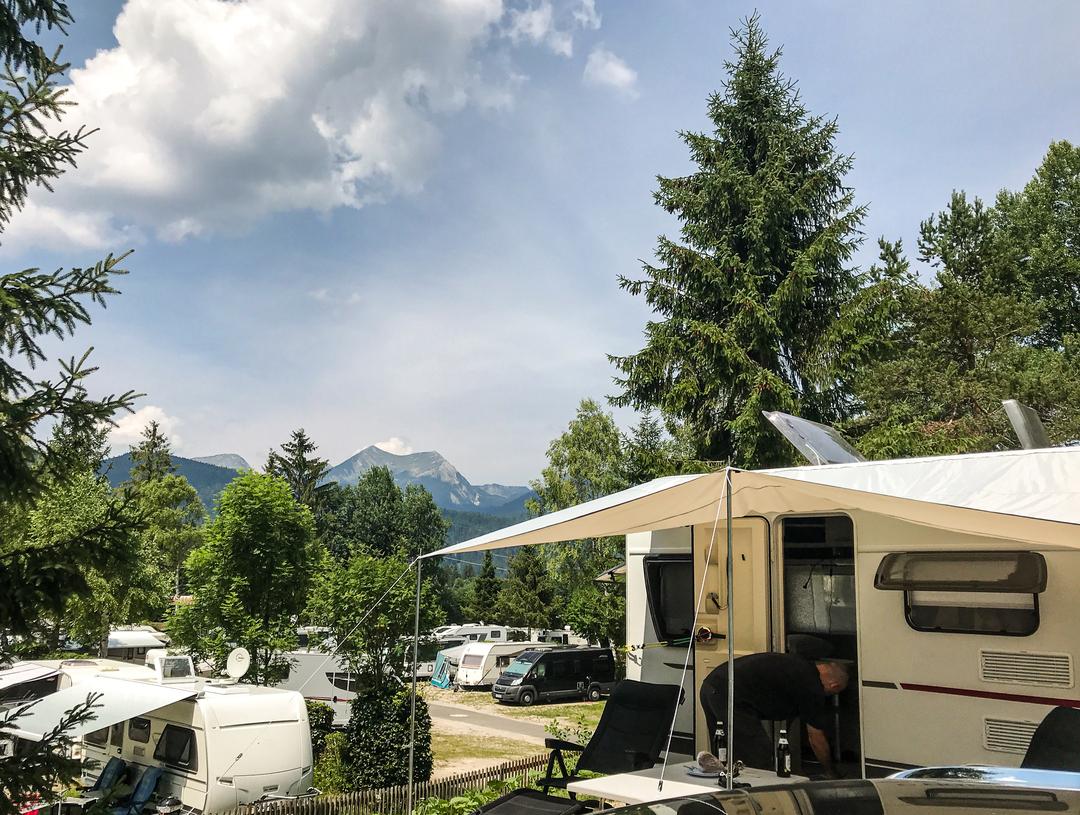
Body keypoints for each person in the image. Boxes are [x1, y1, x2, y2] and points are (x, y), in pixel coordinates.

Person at [699, 652, 849, 777]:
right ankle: (758, 796)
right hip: (729, 694)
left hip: (710, 686)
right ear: (834, 686)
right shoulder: (811, 687)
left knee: (722, 751)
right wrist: (830, 771)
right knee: (758, 752)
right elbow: (816, 737)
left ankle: (724, 790)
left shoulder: (799, 665)